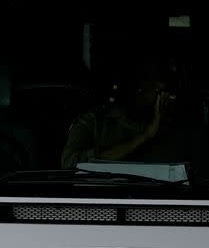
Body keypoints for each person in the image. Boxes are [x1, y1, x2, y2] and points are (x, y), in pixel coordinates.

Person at [60, 61, 200, 169]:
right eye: (156, 90)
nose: (163, 97)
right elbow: (69, 164)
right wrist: (144, 137)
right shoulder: (93, 123)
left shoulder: (178, 131)